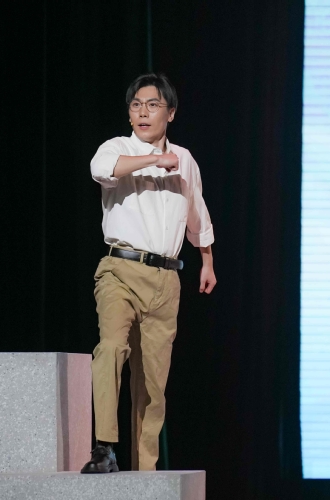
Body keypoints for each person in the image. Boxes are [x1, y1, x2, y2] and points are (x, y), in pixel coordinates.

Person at [81, 73, 216, 473]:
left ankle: (146, 472)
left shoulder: (185, 159)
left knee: (153, 381)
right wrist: (155, 159)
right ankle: (104, 448)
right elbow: (102, 169)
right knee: (111, 348)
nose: (143, 112)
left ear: (170, 113)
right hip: (120, 270)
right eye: (136, 105)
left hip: (166, 279)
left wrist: (207, 261)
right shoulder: (118, 148)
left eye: (153, 105)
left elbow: (197, 212)